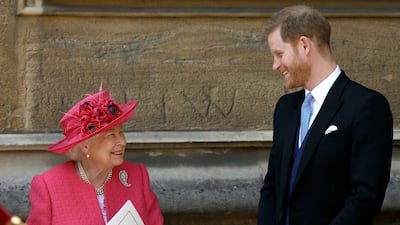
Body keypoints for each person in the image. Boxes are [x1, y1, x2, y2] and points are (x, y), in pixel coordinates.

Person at [258, 5, 393, 225]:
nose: (275, 66)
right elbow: (272, 185)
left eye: (279, 54)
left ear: (304, 46)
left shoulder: (366, 106)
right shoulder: (286, 108)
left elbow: (365, 197)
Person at [26, 85, 164, 225]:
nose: (122, 141)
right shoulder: (49, 186)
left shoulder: (137, 175)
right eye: (111, 135)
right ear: (86, 146)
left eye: (121, 132)